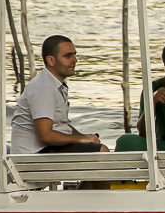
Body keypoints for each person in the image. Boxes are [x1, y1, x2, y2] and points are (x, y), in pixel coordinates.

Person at [10, 35, 109, 189]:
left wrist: (86, 138)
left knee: (98, 151)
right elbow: (45, 135)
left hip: (41, 152)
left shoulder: (54, 85)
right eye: (68, 56)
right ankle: (99, 203)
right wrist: (81, 140)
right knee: (101, 154)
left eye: (74, 54)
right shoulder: (44, 87)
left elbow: (61, 125)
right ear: (51, 60)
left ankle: (81, 203)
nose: (75, 60)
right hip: (31, 156)